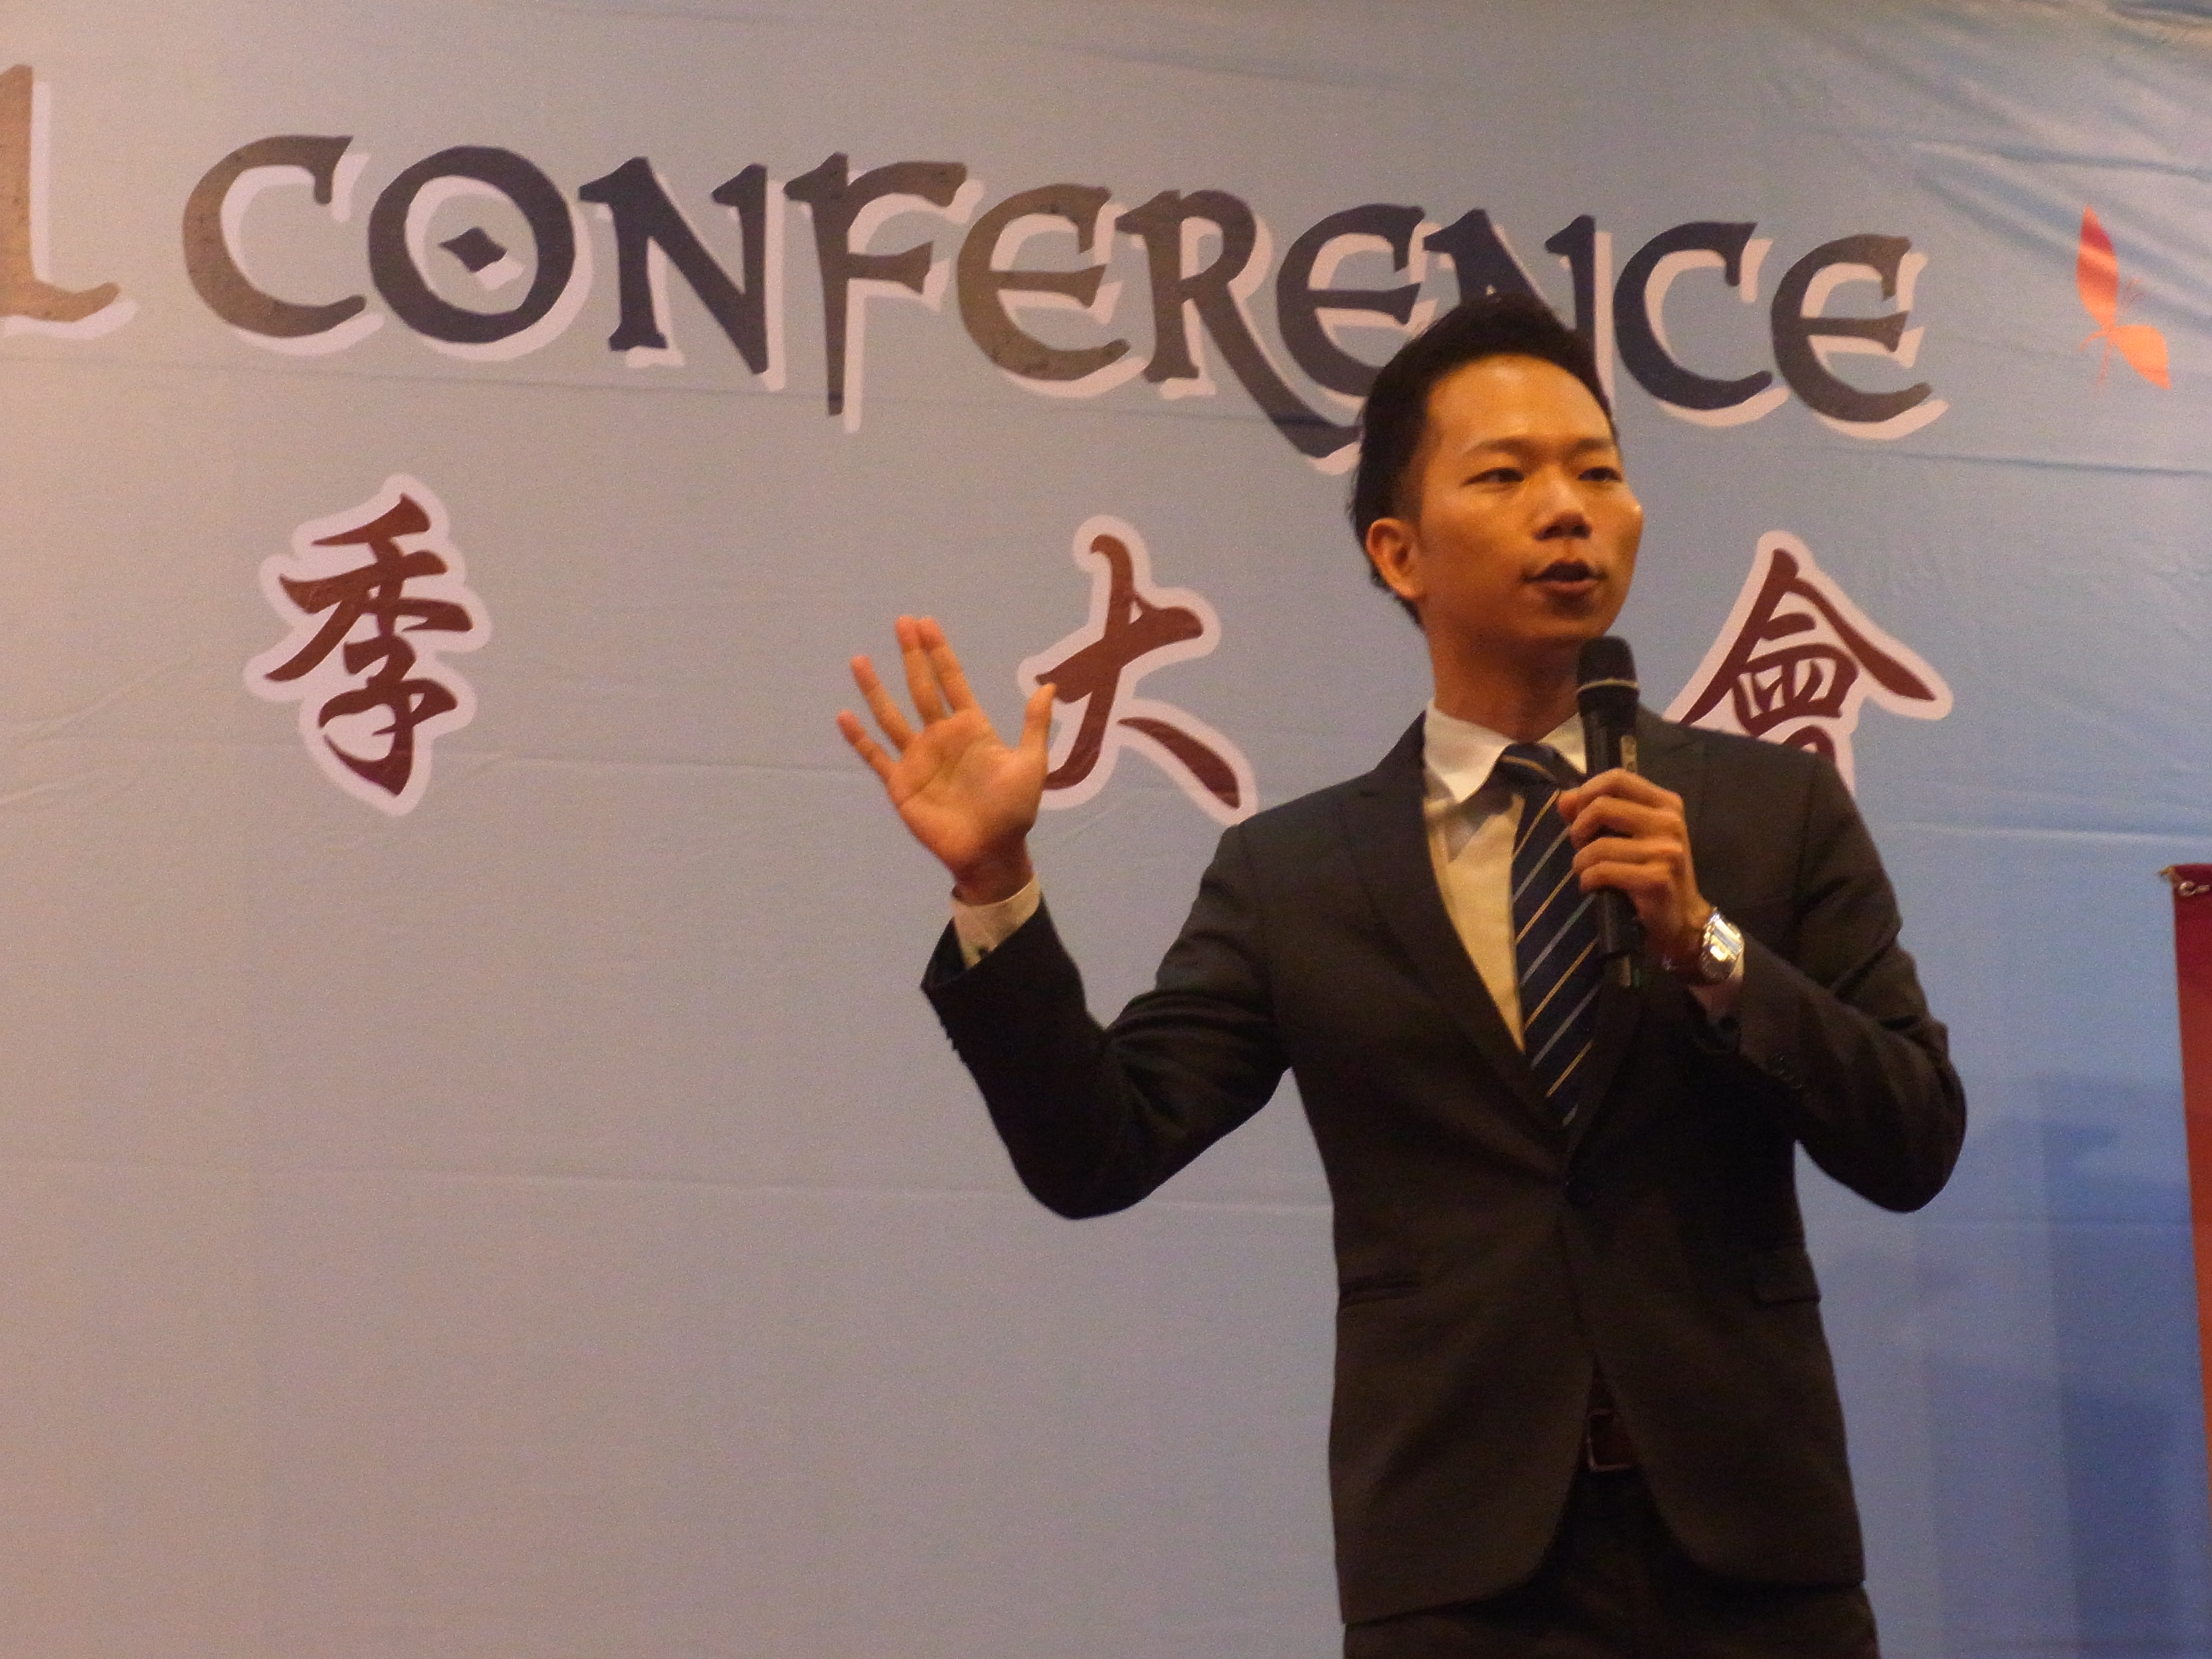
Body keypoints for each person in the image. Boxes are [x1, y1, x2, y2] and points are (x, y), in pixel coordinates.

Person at [836, 294, 1965, 1658]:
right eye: (1506, 476)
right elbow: (1100, 1149)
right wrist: (994, 884)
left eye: (1598, 471)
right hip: (1462, 1574)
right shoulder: (1298, 875)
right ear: (1399, 550)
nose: (1570, 510)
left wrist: (1708, 948)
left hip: (1755, 1559)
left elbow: (1914, 1137)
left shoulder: (1773, 815)